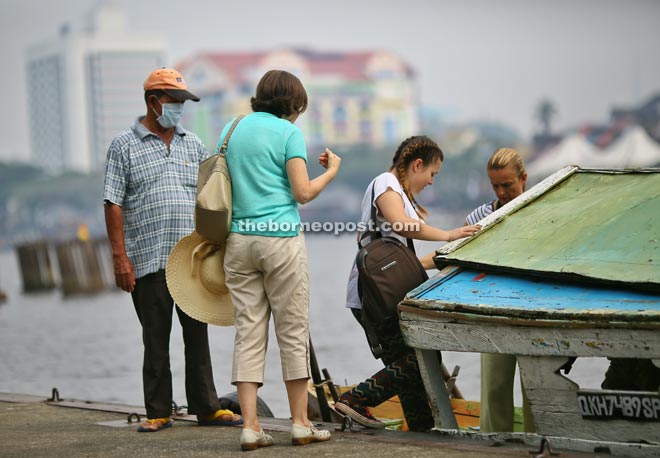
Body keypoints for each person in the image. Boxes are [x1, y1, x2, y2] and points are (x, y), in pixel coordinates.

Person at [103, 67, 242, 433]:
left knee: (197, 337)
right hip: (148, 257)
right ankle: (158, 411)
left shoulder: (192, 143)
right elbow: (112, 203)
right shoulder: (123, 145)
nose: (180, 107)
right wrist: (120, 258)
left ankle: (206, 407)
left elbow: (207, 197)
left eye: (183, 101)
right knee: (155, 338)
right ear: (154, 101)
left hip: (191, 259)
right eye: (175, 101)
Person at [219, 69, 341, 451]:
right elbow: (302, 193)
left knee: (248, 332)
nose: (298, 116)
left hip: (237, 241)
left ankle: (251, 426)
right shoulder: (288, 133)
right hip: (280, 239)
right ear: (291, 104)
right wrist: (332, 172)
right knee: (292, 330)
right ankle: (301, 423)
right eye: (299, 108)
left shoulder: (231, 129)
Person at [335, 136, 481, 431]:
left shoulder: (399, 194)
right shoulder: (385, 183)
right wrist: (449, 234)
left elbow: (408, 261)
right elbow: (401, 225)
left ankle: (421, 430)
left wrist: (448, 256)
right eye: (432, 174)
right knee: (418, 361)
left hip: (387, 294)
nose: (431, 182)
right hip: (377, 297)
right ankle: (355, 399)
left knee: (410, 370)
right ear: (417, 165)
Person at [465, 147, 534, 433]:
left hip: (534, 312)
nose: (502, 192)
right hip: (492, 312)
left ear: (524, 179)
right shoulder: (477, 219)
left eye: (508, 185)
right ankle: (494, 445)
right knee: (494, 387)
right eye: (496, 186)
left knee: (537, 389)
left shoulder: (542, 212)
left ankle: (543, 443)